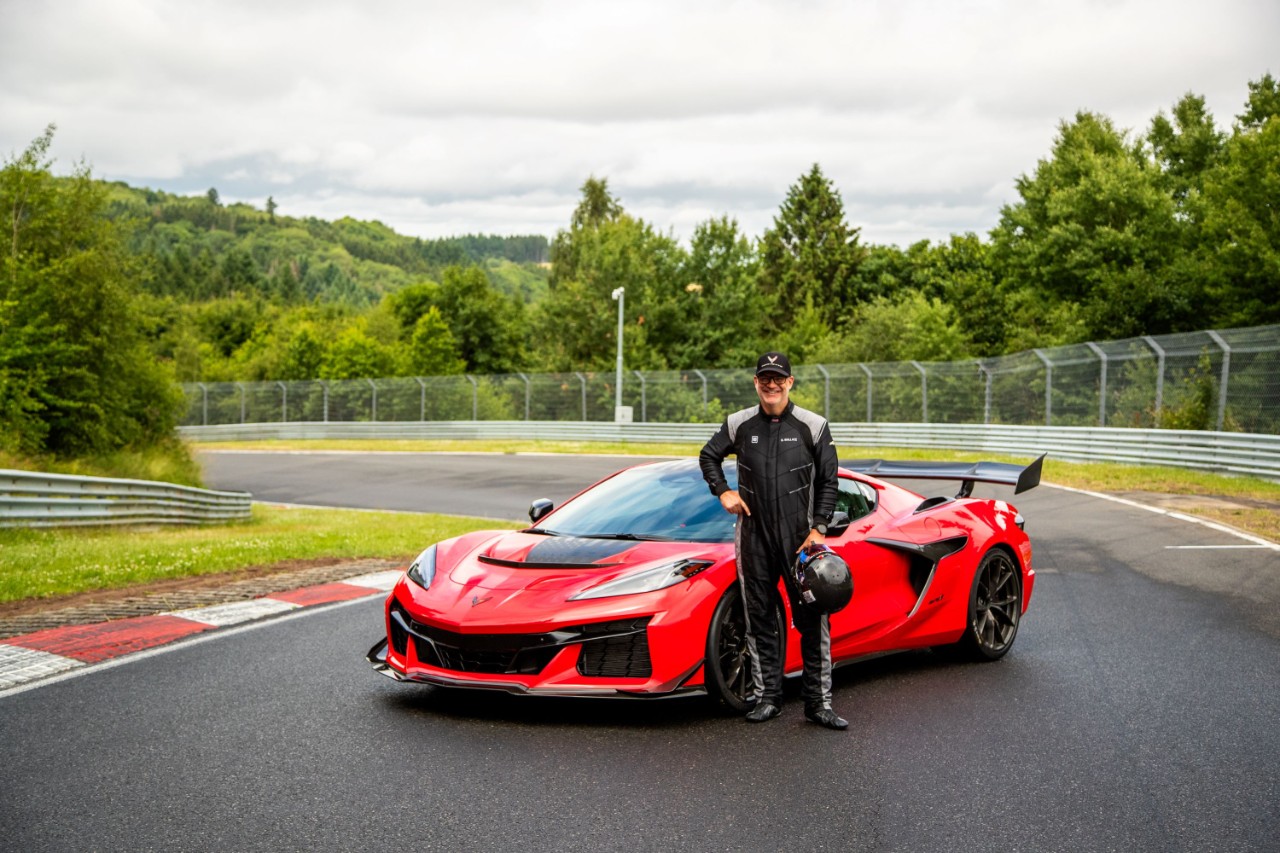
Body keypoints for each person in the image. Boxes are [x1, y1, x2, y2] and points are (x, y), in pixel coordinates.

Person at [699, 352, 848, 730]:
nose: (771, 384)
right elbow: (708, 456)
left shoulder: (813, 425)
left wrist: (819, 529)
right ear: (755, 382)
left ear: (790, 382)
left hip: (802, 542)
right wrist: (723, 492)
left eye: (778, 378)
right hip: (754, 538)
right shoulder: (739, 423)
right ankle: (769, 698)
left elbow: (830, 481)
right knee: (760, 620)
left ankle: (819, 704)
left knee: (813, 621)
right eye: (765, 378)